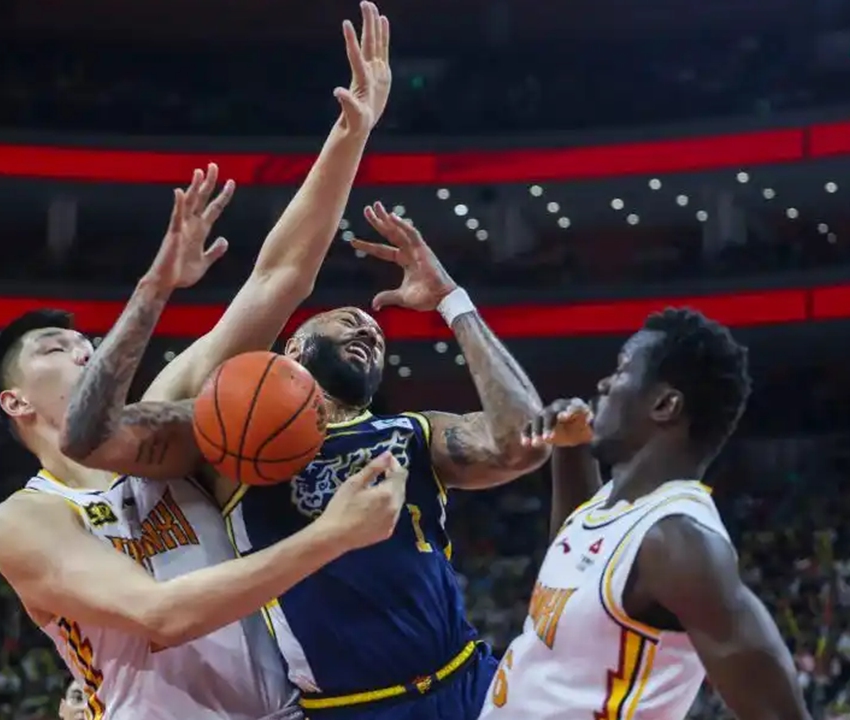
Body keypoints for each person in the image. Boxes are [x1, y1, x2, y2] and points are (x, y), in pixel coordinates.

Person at [0, 13, 406, 714]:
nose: (83, 351)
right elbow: (160, 616)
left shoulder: (168, 424)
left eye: (85, 342)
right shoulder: (24, 521)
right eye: (57, 351)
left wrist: (351, 133)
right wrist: (333, 534)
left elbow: (277, 281)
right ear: (16, 403)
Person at [62, 198, 549, 720]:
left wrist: (452, 301)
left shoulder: (412, 432)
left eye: (377, 335)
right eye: (348, 322)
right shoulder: (228, 428)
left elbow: (523, 440)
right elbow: (90, 439)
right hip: (350, 708)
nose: (368, 332)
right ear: (294, 347)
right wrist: (153, 289)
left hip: (469, 682)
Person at [478, 308, 810, 720]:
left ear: (665, 404)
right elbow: (574, 568)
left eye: (620, 371)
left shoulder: (677, 541)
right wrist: (570, 449)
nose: (602, 383)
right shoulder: (611, 510)